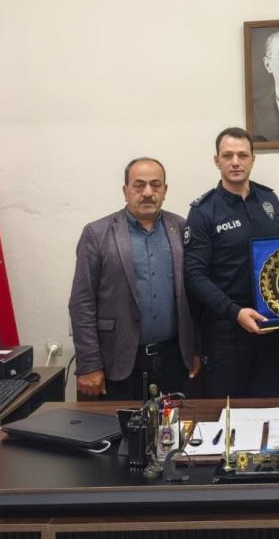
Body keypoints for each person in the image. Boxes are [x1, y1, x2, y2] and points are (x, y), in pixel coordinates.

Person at [69, 157, 200, 400]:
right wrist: (89, 364)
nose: (148, 192)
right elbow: (81, 302)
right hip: (118, 361)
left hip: (174, 359)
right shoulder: (97, 233)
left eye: (155, 185)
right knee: (120, 424)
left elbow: (195, 293)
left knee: (175, 423)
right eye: (139, 185)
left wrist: (195, 349)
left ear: (165, 190)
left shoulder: (182, 228)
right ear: (125, 191)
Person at [184, 127, 279, 397]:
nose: (235, 162)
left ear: (253, 159)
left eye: (242, 155)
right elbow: (194, 276)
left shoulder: (269, 200)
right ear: (216, 160)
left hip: (270, 326)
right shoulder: (203, 211)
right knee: (227, 413)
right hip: (226, 332)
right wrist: (235, 312)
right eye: (228, 155)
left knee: (269, 408)